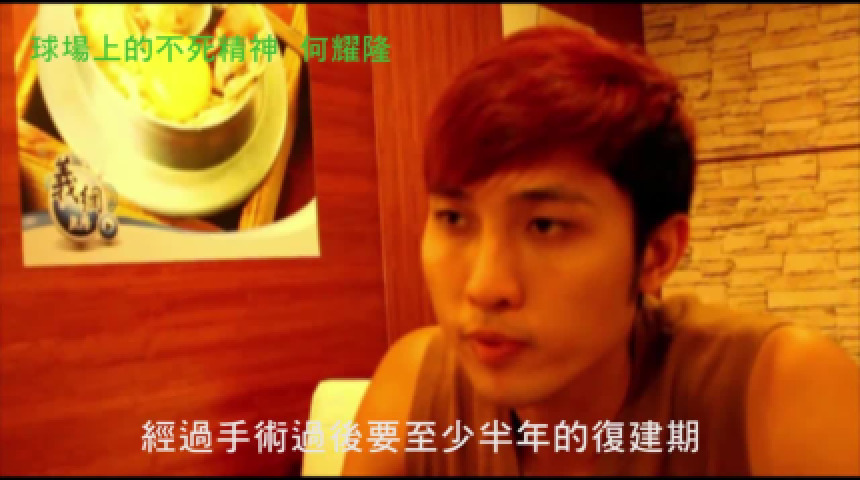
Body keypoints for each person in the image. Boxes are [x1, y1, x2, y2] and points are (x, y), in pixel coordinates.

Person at [341, 26, 860, 476]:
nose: (484, 287)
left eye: (546, 226)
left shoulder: (780, 395)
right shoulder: (414, 391)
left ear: (656, 254)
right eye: (455, 219)